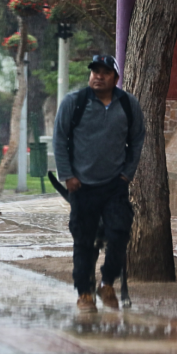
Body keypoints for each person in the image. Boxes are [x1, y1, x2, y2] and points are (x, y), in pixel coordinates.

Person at [52, 55, 145, 312]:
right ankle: (84, 293)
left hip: (114, 185)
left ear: (115, 78)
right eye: (95, 71)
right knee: (84, 241)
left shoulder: (128, 104)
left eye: (105, 72)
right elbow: (60, 140)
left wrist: (127, 173)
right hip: (81, 187)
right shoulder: (75, 102)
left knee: (119, 234)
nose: (98, 76)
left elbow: (137, 139)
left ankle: (107, 283)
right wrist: (67, 175)